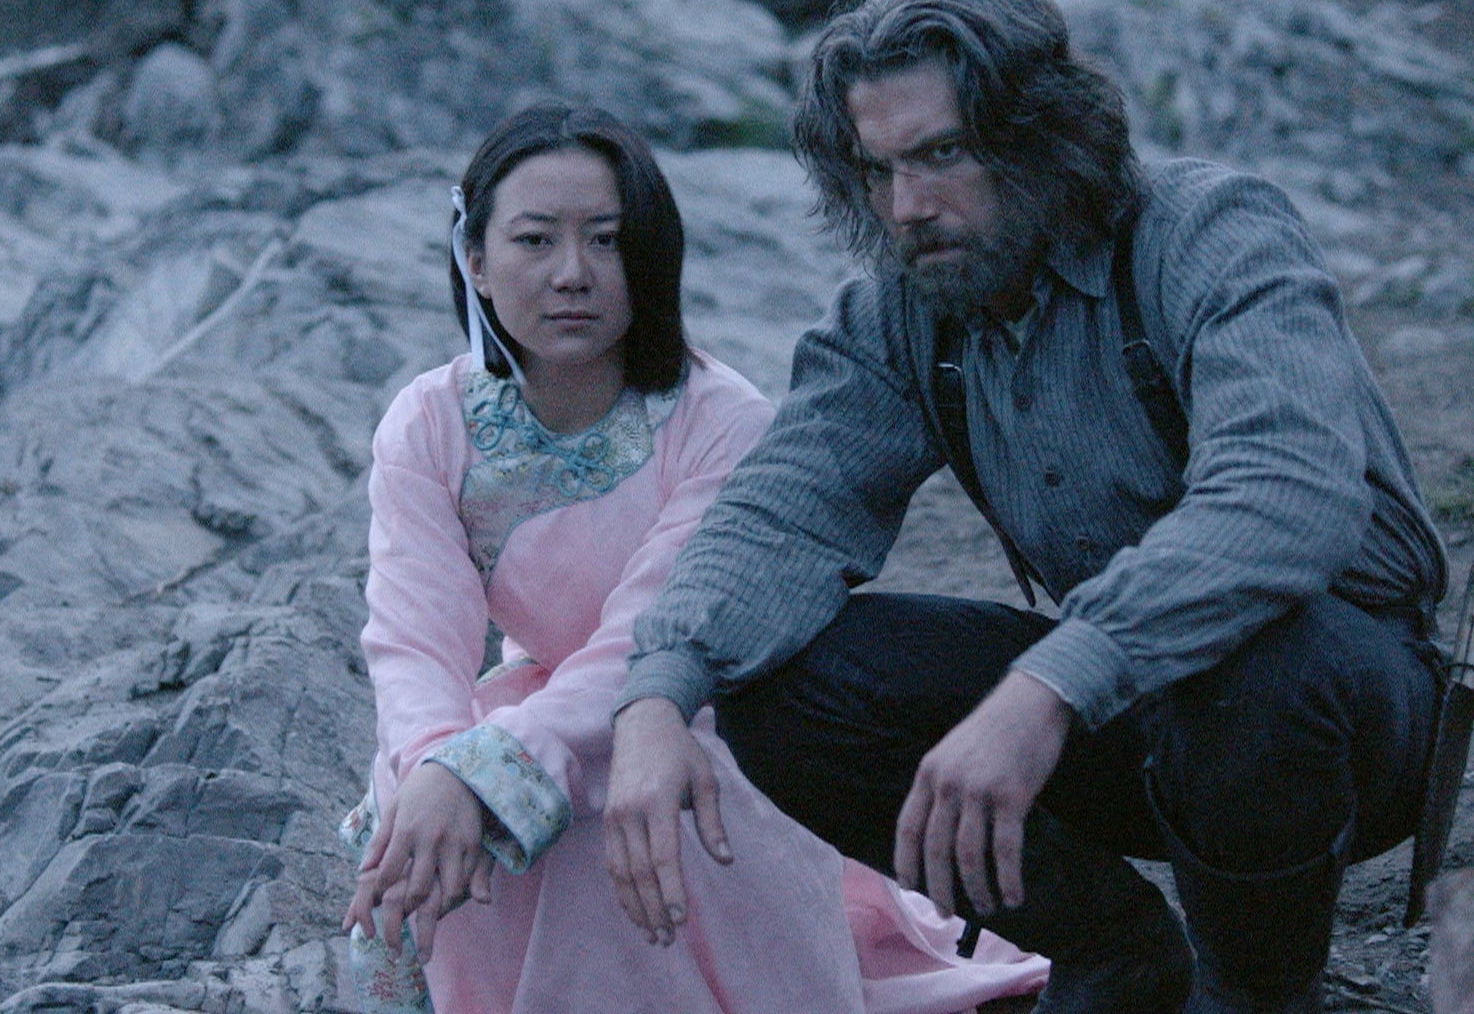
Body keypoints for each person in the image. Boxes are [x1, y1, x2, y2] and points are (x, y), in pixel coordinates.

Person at [604, 0, 1449, 1014]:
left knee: (1256, 664)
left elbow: (1283, 494)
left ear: (1041, 134)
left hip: (1337, 716)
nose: (909, 207)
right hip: (1124, 717)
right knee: (785, 688)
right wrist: (657, 690)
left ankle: (1255, 993)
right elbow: (784, 510)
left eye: (942, 154)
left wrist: (1051, 682)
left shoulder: (1210, 231)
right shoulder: (904, 310)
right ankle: (1118, 955)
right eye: (878, 170)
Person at [340, 102, 1048, 1014]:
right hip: (531, 706)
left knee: (599, 808)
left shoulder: (720, 419)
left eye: (607, 241)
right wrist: (437, 767)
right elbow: (414, 637)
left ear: (652, 256)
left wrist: (492, 771)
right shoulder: (430, 421)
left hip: (700, 711)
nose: (572, 273)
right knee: (423, 796)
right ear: (475, 260)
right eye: (534, 240)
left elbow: (647, 633)